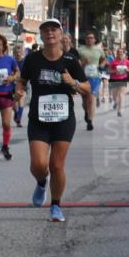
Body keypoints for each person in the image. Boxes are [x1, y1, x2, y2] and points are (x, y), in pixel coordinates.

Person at [15, 18, 89, 223]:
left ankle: (56, 206)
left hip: (64, 119)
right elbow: (22, 80)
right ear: (41, 34)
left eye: (54, 29)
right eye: (45, 30)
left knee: (56, 165)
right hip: (39, 118)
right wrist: (19, 91)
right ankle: (41, 182)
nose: (50, 33)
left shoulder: (70, 61)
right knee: (38, 165)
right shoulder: (33, 60)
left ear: (61, 33)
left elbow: (87, 88)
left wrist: (73, 82)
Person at [76, 32, 103, 130]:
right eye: (88, 38)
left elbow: (103, 60)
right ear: (85, 39)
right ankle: (86, 112)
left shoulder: (99, 50)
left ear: (95, 40)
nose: (89, 39)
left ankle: (90, 121)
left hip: (95, 77)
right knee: (85, 100)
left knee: (91, 99)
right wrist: (83, 63)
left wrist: (102, 65)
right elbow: (76, 63)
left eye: (91, 38)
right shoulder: (80, 50)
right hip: (83, 77)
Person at [107, 49, 129, 117]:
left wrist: (127, 70)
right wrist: (115, 71)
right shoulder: (112, 62)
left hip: (123, 79)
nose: (120, 54)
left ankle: (119, 110)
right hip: (114, 79)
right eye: (118, 52)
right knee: (114, 96)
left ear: (123, 53)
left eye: (121, 52)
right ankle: (115, 102)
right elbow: (108, 71)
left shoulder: (127, 62)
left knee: (120, 95)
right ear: (116, 54)